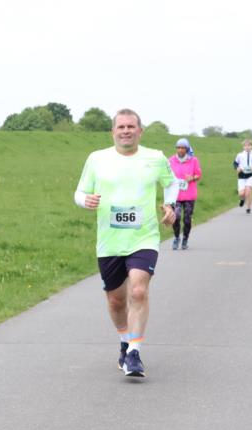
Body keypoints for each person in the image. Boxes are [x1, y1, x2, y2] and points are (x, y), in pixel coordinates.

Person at [74, 109, 178, 378]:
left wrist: (170, 205)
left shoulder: (155, 158)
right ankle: (124, 340)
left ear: (140, 131)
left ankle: (134, 352)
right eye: (121, 127)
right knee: (116, 300)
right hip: (109, 240)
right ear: (113, 132)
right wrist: (85, 201)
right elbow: (80, 191)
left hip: (144, 237)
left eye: (131, 126)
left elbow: (171, 183)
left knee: (139, 291)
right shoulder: (97, 159)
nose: (126, 131)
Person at [168, 138, 201, 249]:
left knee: (187, 219)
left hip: (189, 195)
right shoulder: (171, 160)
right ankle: (177, 238)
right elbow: (166, 175)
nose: (180, 150)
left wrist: (192, 178)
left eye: (183, 148)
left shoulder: (193, 160)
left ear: (187, 149)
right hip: (175, 195)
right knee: (176, 217)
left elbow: (198, 175)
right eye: (178, 147)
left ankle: (185, 239)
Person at [233, 139, 252, 214]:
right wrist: (237, 168)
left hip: (251, 176)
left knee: (248, 191)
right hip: (241, 176)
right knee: (241, 194)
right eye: (245, 146)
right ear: (243, 147)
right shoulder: (240, 155)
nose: (247, 147)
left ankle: (248, 208)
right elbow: (235, 163)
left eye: (249, 145)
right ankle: (242, 199)